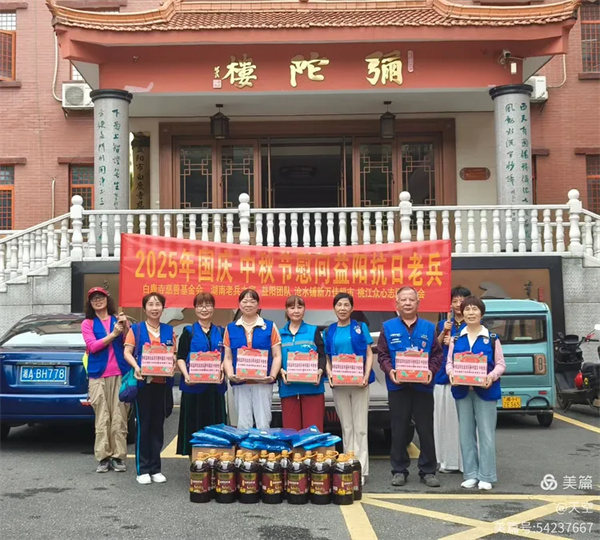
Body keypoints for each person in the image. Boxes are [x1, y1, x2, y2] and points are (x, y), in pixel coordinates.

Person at [377, 286, 443, 488]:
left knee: (425, 429)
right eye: (403, 300)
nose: (407, 303)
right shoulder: (388, 327)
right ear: (397, 304)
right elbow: (383, 355)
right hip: (398, 387)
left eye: (411, 300)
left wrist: (431, 371)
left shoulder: (429, 327)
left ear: (418, 303)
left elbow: (437, 354)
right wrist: (390, 371)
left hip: (423, 387)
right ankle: (399, 470)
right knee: (399, 430)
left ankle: (428, 471)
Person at [446, 296, 505, 491]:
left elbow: (500, 364)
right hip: (462, 391)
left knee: (486, 434)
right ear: (462, 313)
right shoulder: (456, 338)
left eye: (474, 309)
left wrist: (491, 376)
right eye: (467, 309)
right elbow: (449, 363)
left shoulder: (492, 338)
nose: (470, 313)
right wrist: (451, 373)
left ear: (481, 313)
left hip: (486, 392)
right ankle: (470, 474)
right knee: (465, 434)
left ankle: (486, 475)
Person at [123, 292, 176, 485]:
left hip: (162, 385)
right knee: (143, 426)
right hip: (143, 384)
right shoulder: (136, 330)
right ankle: (143, 469)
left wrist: (172, 364)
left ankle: (156, 468)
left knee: (158, 427)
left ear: (163, 308)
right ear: (145, 308)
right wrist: (136, 367)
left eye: (158, 304)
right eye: (151, 304)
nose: (154, 308)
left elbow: (173, 355)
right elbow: (127, 352)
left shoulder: (169, 331)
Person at [325, 292, 374, 483]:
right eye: (339, 305)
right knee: (346, 427)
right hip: (340, 385)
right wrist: (330, 374)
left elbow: (369, 354)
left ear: (352, 308)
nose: (342, 308)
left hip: (360, 383)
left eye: (346, 305)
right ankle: (348, 465)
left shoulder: (360, 327)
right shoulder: (330, 330)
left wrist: (366, 375)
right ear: (334, 308)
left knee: (360, 427)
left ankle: (360, 470)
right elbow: (328, 357)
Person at [81, 287, 130, 473]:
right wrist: (113, 334)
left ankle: (118, 456)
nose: (98, 300)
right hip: (98, 376)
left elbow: (128, 343)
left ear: (107, 300)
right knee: (102, 417)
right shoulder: (87, 323)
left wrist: (125, 328)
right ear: (90, 303)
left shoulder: (118, 319)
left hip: (120, 374)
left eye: (100, 297)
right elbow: (92, 346)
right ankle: (103, 457)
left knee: (119, 416)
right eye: (94, 298)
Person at [176, 292, 227, 456]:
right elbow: (181, 357)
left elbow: (227, 357)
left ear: (213, 308)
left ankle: (215, 462)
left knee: (215, 428)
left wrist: (222, 370)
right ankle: (195, 464)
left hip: (215, 390)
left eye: (208, 305)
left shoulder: (221, 332)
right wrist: (186, 375)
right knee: (194, 426)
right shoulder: (188, 332)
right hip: (193, 389)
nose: (204, 309)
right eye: (200, 305)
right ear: (195, 308)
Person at [222, 289, 282, 430]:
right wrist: (230, 375)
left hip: (263, 383)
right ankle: (246, 445)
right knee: (243, 423)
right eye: (245, 301)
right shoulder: (231, 328)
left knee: (263, 422)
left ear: (258, 304)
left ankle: (262, 445)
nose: (248, 304)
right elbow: (228, 357)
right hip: (240, 382)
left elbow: (277, 355)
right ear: (239, 304)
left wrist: (272, 376)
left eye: (252, 301)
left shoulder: (270, 326)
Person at [434, 286, 471, 474]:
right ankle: (447, 461)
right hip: (443, 378)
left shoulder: (474, 324)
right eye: (454, 301)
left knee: (464, 422)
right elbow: (435, 347)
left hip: (465, 379)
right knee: (444, 422)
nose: (458, 305)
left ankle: (466, 463)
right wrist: (443, 333)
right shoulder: (443, 324)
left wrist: (454, 343)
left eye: (461, 301)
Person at [279, 295, 326, 431]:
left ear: (304, 309)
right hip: (288, 389)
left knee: (313, 431)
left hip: (312, 388)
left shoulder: (313, 330)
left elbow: (322, 355)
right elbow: (275, 357)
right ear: (286, 310)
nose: (296, 311)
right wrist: (280, 371)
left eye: (299, 307)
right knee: (291, 432)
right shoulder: (279, 334)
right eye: (292, 307)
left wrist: (320, 371)